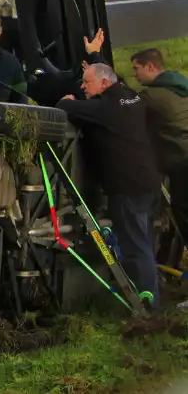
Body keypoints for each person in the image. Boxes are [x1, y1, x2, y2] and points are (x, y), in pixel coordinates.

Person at [55, 61, 163, 310]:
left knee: (135, 245)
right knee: (144, 241)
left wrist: (68, 98)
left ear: (104, 83)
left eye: (86, 82)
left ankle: (147, 305)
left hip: (127, 185)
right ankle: (150, 293)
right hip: (149, 180)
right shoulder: (131, 97)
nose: (83, 86)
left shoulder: (105, 107)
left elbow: (65, 107)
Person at [129, 48, 188, 239]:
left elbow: (124, 109)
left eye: (136, 69)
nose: (134, 75)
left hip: (182, 164)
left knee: (183, 211)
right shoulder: (180, 84)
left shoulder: (152, 96)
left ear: (150, 66)